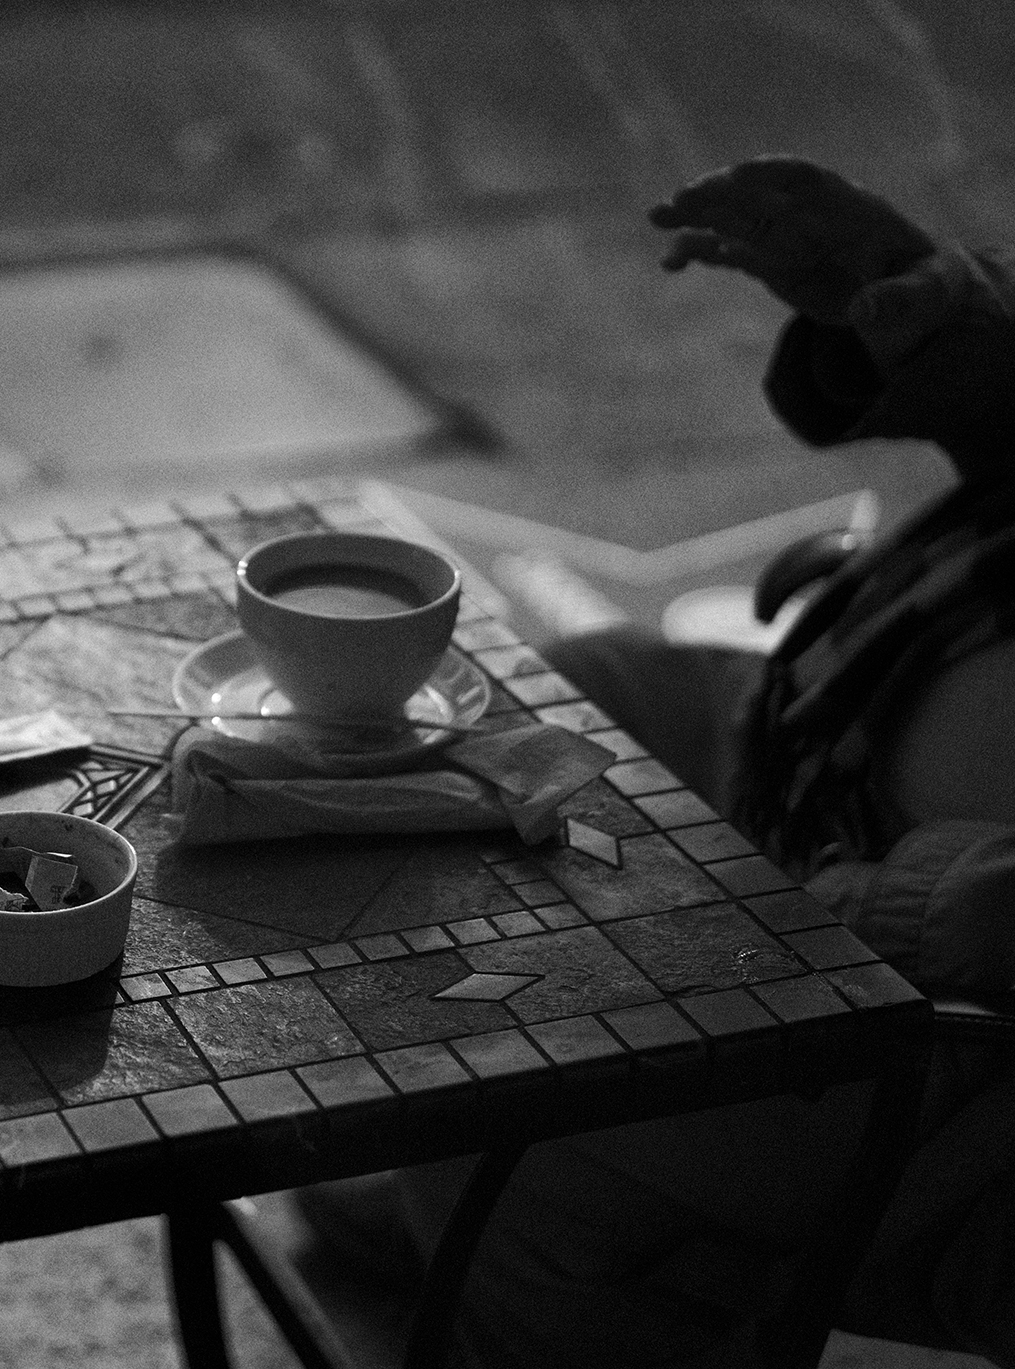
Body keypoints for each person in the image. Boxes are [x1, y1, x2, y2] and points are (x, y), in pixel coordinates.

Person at [299, 158, 1015, 1367]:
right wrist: (929, 315)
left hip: (970, 1012)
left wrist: (845, 913)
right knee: (531, 719)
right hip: (834, 741)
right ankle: (447, 1196)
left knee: (537, 1075)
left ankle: (503, 1197)